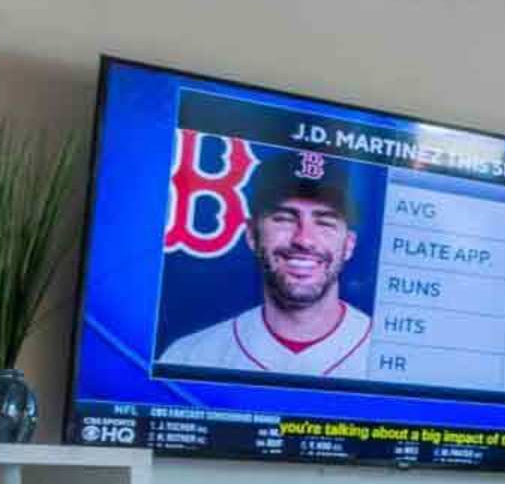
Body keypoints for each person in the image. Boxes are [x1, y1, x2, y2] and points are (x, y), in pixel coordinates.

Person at [158, 150, 371, 375]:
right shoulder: (190, 357)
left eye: (325, 223)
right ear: (251, 234)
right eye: (284, 219)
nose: (304, 239)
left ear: (349, 244)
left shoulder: (393, 357)